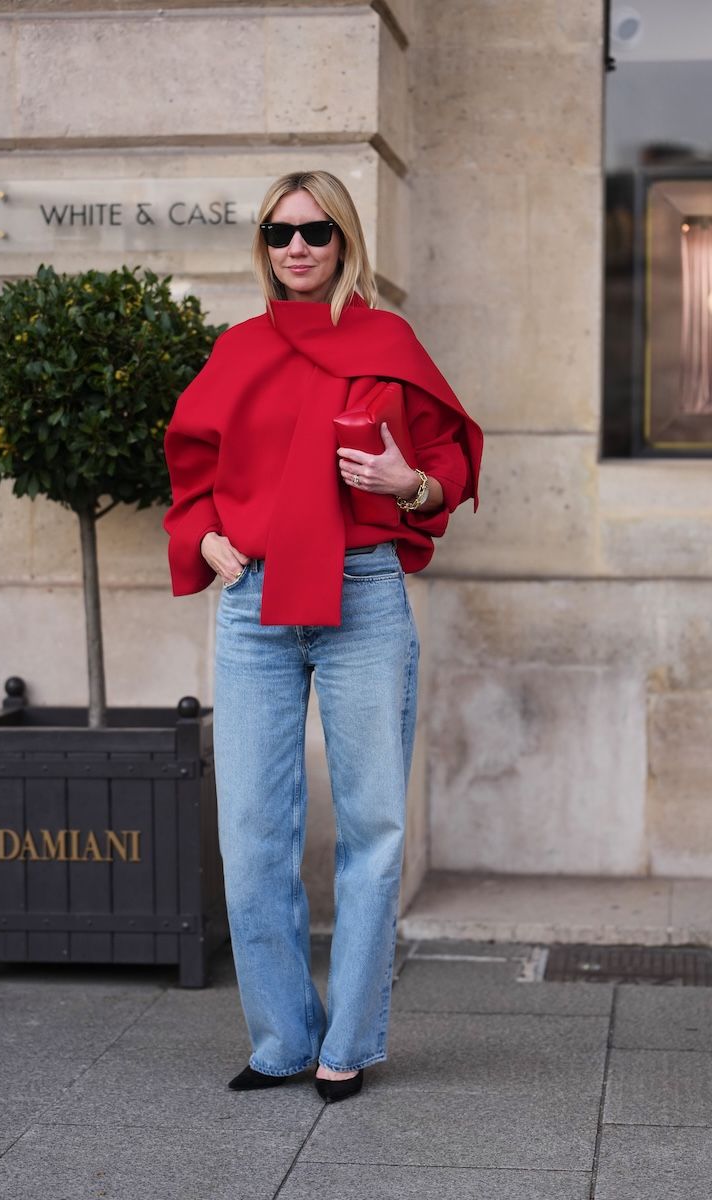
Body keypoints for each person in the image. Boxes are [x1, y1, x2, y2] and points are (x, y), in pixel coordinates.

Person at [163, 170, 482, 1104]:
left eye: (314, 231)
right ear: (262, 245)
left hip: (363, 595)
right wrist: (206, 538)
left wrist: (407, 484)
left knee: (373, 829)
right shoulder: (236, 349)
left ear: (345, 241)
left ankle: (348, 1043)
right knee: (252, 838)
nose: (296, 248)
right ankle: (281, 1041)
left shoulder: (389, 344)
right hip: (253, 604)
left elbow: (449, 466)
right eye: (279, 232)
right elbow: (192, 471)